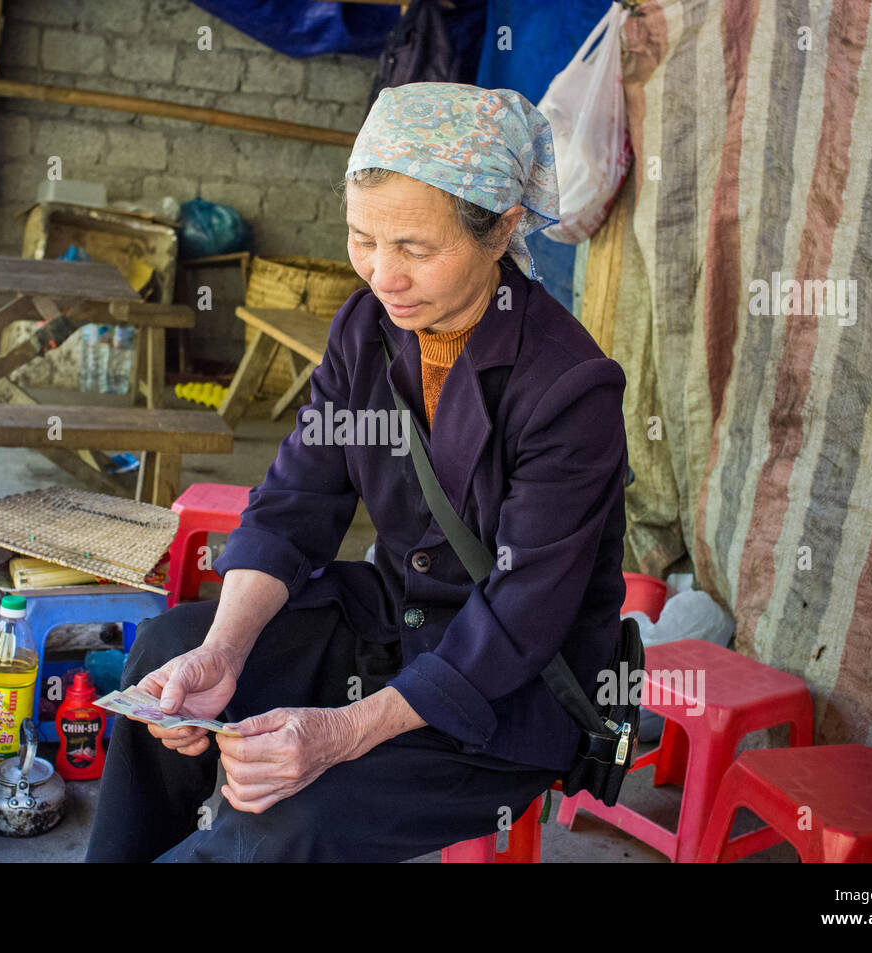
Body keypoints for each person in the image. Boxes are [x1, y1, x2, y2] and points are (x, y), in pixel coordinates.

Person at [86, 82, 628, 863]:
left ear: (502, 229)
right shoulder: (367, 327)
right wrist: (228, 651)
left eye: (414, 247)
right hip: (393, 621)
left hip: (507, 689)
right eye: (362, 239)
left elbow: (522, 613)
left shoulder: (569, 387)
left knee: (290, 819)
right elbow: (295, 503)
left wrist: (340, 732)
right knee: (167, 664)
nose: (382, 275)